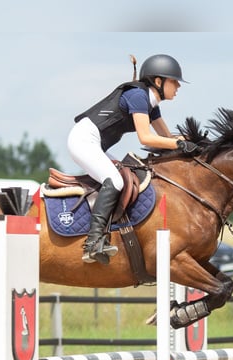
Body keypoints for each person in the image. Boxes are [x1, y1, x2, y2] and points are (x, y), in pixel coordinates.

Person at [68, 54, 192, 264]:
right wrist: (179, 144)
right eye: (174, 80)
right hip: (83, 140)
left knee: (125, 177)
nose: (178, 85)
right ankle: (93, 242)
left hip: (95, 144)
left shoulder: (151, 104)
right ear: (158, 81)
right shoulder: (138, 96)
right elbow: (146, 137)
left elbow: (166, 138)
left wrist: (193, 142)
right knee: (115, 181)